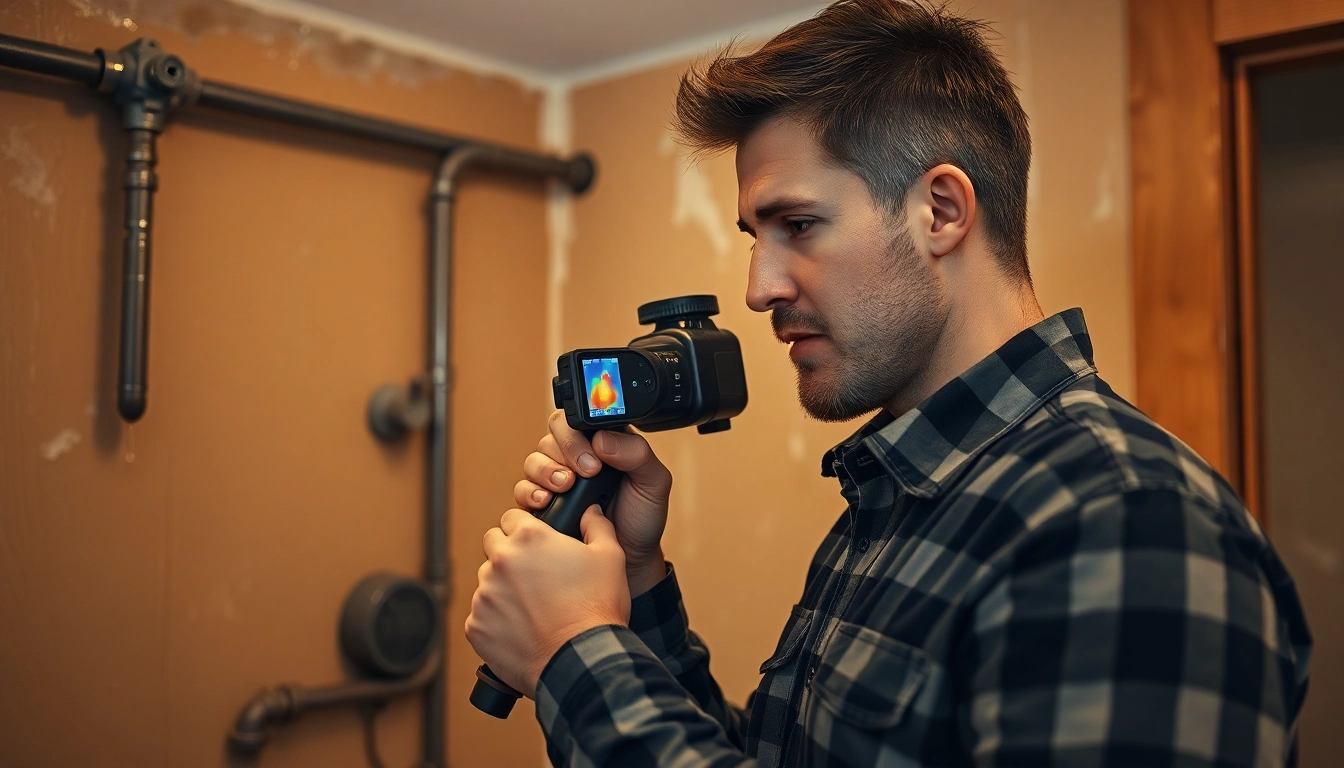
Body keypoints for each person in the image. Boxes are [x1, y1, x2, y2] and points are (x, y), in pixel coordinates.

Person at [465, 1, 1312, 765]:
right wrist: (634, 583)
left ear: (940, 211)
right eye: (756, 237)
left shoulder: (1122, 524)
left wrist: (573, 652)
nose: (759, 289)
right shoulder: (897, 495)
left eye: (799, 224)